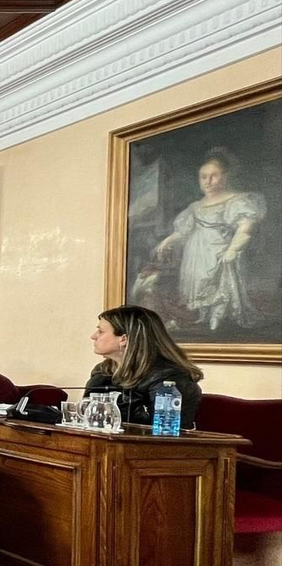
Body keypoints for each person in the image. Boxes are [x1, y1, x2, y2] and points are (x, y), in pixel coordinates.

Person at [142, 147, 267, 334]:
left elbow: (246, 227)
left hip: (218, 250)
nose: (208, 181)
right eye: (203, 177)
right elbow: (185, 230)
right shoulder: (195, 206)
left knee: (217, 284)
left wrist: (233, 249)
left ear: (225, 177)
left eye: (213, 176)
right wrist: (169, 238)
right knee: (197, 283)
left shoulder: (236, 200)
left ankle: (217, 317)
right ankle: (203, 315)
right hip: (195, 253)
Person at [86, 305, 204, 427]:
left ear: (123, 339)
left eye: (100, 331)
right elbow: (89, 419)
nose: (93, 336)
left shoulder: (169, 377)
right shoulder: (102, 371)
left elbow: (165, 432)